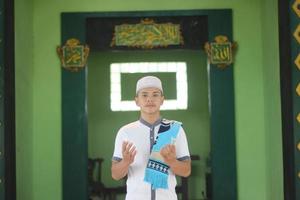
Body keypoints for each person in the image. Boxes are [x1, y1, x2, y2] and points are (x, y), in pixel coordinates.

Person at [111, 76, 191, 200]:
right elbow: (115, 175)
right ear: (137, 100)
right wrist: (125, 162)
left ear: (162, 100)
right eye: (144, 95)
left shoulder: (174, 129)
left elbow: (186, 171)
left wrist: (172, 161)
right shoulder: (125, 132)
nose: (150, 99)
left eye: (155, 95)